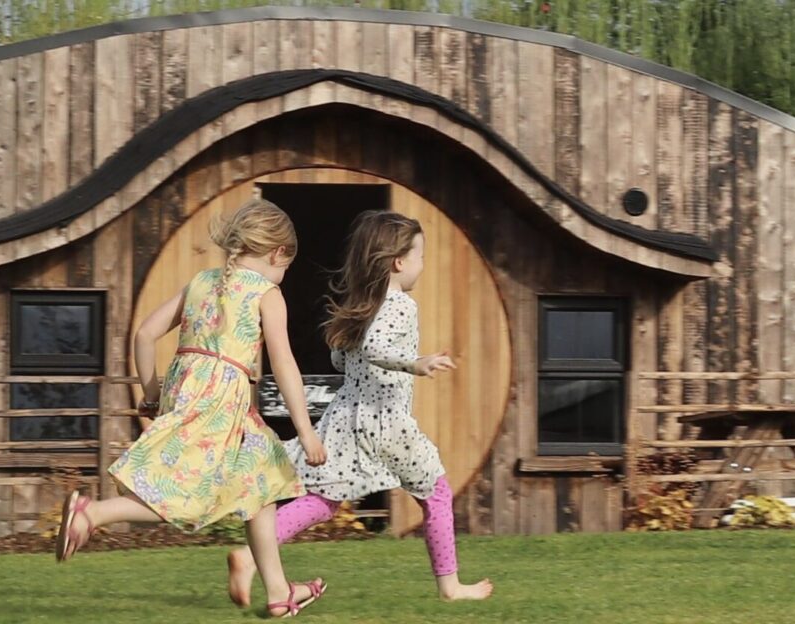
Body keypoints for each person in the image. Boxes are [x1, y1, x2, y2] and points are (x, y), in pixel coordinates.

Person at [54, 195, 332, 618]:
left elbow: (145, 335)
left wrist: (152, 395)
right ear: (278, 253)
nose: (283, 276)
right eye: (286, 267)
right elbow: (284, 365)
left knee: (260, 478)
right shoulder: (267, 293)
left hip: (190, 390)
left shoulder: (201, 282)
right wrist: (306, 431)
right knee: (188, 494)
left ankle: (279, 592)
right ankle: (92, 514)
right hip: (222, 401)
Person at [224, 211, 493, 605]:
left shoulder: (365, 304)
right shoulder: (400, 305)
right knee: (436, 491)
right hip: (386, 422)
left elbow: (341, 359)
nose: (422, 265)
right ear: (398, 262)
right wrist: (414, 363)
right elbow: (373, 348)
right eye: (420, 257)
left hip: (346, 417)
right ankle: (450, 587)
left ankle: (250, 557)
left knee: (326, 499)